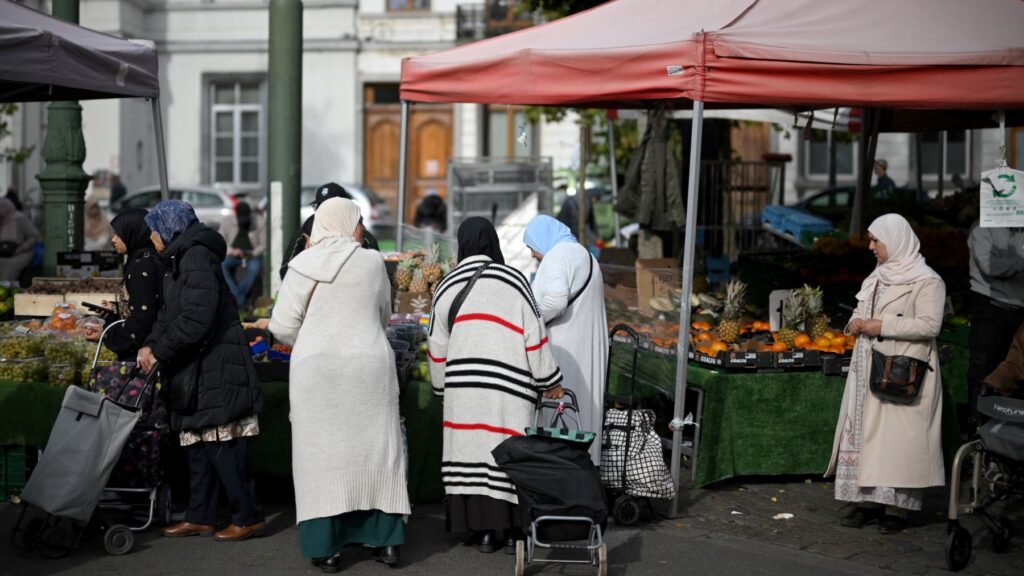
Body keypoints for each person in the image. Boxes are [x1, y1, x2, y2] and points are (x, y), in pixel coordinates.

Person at [269, 198, 410, 572]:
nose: (361, 229)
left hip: (316, 372)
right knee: (377, 450)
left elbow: (281, 325)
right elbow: (385, 313)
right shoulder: (372, 261)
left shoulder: (300, 265)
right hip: (369, 365)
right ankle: (387, 540)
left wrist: (315, 336)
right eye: (358, 222)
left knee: (321, 456)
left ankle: (326, 547)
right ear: (346, 223)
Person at [428, 217, 564, 554]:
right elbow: (535, 337)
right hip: (510, 390)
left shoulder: (446, 286)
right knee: (505, 452)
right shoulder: (515, 280)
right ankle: (507, 528)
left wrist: (441, 390)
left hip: (463, 390)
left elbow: (436, 348)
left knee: (469, 450)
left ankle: (479, 530)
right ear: (493, 243)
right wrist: (550, 381)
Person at [136, 200, 265, 542]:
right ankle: (200, 515)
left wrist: (160, 351)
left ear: (171, 228)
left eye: (154, 229)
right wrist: (150, 346)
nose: (151, 237)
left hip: (216, 364)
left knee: (223, 444)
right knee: (196, 445)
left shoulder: (194, 258)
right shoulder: (177, 260)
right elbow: (167, 316)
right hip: (194, 365)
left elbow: (196, 318)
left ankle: (248, 515)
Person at [825, 213, 945, 535]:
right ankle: (866, 502)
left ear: (895, 239)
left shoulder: (927, 280)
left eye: (876, 240)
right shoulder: (877, 275)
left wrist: (883, 326)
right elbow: (862, 307)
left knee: (897, 440)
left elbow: (930, 325)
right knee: (867, 434)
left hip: (902, 367)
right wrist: (854, 322)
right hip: (869, 362)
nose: (870, 246)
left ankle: (897, 509)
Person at [523, 215, 608, 464]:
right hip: (586, 349)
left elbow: (554, 301)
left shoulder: (558, 256)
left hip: (565, 352)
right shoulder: (584, 255)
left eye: (531, 246)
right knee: (582, 417)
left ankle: (559, 481)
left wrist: (527, 320)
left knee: (559, 421)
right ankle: (584, 477)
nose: (532, 255)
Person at [82, 208, 166, 361]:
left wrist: (106, 334)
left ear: (133, 233)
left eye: (119, 234)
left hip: (140, 356)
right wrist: (115, 310)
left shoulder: (141, 267)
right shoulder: (146, 259)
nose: (113, 239)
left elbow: (142, 321)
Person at [966, 223, 1024, 427]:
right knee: (983, 372)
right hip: (991, 309)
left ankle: (1009, 431)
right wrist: (1020, 262)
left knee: (1016, 376)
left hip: (1020, 313)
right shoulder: (981, 227)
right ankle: (978, 430)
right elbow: (990, 265)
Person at [279, 182, 378, 280]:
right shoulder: (304, 234)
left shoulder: (363, 237)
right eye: (320, 208)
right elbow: (285, 273)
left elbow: (377, 274)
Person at [219, 201, 265, 307]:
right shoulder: (227, 221)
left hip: (251, 254)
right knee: (221, 265)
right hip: (232, 254)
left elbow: (263, 244)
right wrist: (232, 251)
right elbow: (221, 241)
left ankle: (235, 299)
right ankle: (239, 299)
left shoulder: (259, 221)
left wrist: (252, 253)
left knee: (255, 268)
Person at [0, 197, 41, 282]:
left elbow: (34, 235)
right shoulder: (2, 220)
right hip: (3, 251)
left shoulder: (20, 218)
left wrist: (23, 247)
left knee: (9, 265)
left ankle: (5, 288)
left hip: (21, 251)